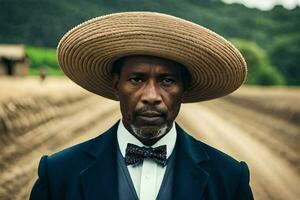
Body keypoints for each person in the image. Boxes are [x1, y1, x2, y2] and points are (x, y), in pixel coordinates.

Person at [30, 12, 254, 200]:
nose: (151, 96)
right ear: (116, 83)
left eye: (167, 81)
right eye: (136, 79)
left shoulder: (230, 178)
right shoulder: (59, 173)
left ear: (184, 88)